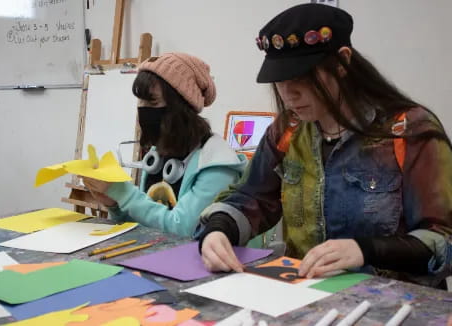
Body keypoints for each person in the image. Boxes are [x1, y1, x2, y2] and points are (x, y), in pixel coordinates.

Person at [197, 4, 452, 288]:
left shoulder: (410, 130)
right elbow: (250, 198)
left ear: (342, 63)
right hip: (306, 296)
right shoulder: (287, 131)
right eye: (279, 82)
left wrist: (366, 250)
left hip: (392, 303)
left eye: (302, 79)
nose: (289, 94)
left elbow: (444, 239)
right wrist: (219, 230)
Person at [83, 53, 247, 237]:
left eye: (152, 102)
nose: (143, 110)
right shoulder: (159, 153)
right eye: (140, 101)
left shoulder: (217, 163)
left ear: (180, 107)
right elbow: (145, 220)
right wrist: (114, 205)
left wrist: (123, 193)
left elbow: (184, 230)